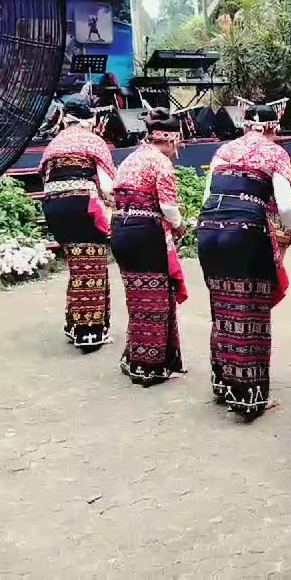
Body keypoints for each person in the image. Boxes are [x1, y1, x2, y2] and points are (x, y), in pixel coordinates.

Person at [197, 101, 291, 418]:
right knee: (250, 310)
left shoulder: (224, 151)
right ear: (272, 128)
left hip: (209, 229)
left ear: (244, 125)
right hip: (244, 232)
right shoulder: (275, 153)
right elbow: (285, 207)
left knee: (223, 305)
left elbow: (206, 196)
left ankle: (223, 383)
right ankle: (248, 397)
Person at [111, 108, 190, 386]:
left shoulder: (130, 159)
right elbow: (168, 206)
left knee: (137, 298)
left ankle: (137, 357)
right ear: (170, 139)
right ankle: (151, 365)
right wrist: (179, 226)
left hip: (121, 230)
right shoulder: (160, 162)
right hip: (146, 234)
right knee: (155, 298)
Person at [39, 96, 116, 351]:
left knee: (77, 265)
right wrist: (115, 205)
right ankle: (89, 332)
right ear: (90, 119)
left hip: (54, 208)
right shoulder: (93, 141)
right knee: (92, 265)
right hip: (83, 206)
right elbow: (107, 185)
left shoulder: (54, 144)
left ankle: (74, 324)